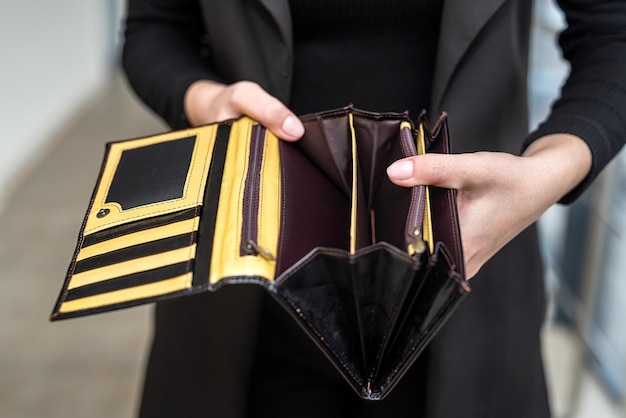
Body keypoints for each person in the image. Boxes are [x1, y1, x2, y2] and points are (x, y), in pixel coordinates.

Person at [122, 1, 626, 417]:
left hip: (465, 275)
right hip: (244, 285)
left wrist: (546, 171)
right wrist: (209, 100)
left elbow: (613, 35)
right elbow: (154, 31)